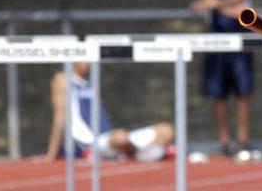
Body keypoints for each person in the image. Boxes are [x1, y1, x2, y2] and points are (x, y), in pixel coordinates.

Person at [189, 0, 256, 155]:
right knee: (217, 90)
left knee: (242, 89)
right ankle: (224, 141)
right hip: (216, 32)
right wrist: (228, 8)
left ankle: (243, 139)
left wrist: (214, 4)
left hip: (240, 31)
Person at [43, 62, 174, 161]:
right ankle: (149, 153)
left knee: (166, 130)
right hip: (90, 142)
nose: (87, 61)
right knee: (120, 137)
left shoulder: (90, 83)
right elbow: (59, 116)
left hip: (108, 138)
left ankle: (135, 153)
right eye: (83, 55)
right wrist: (52, 153)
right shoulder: (63, 79)